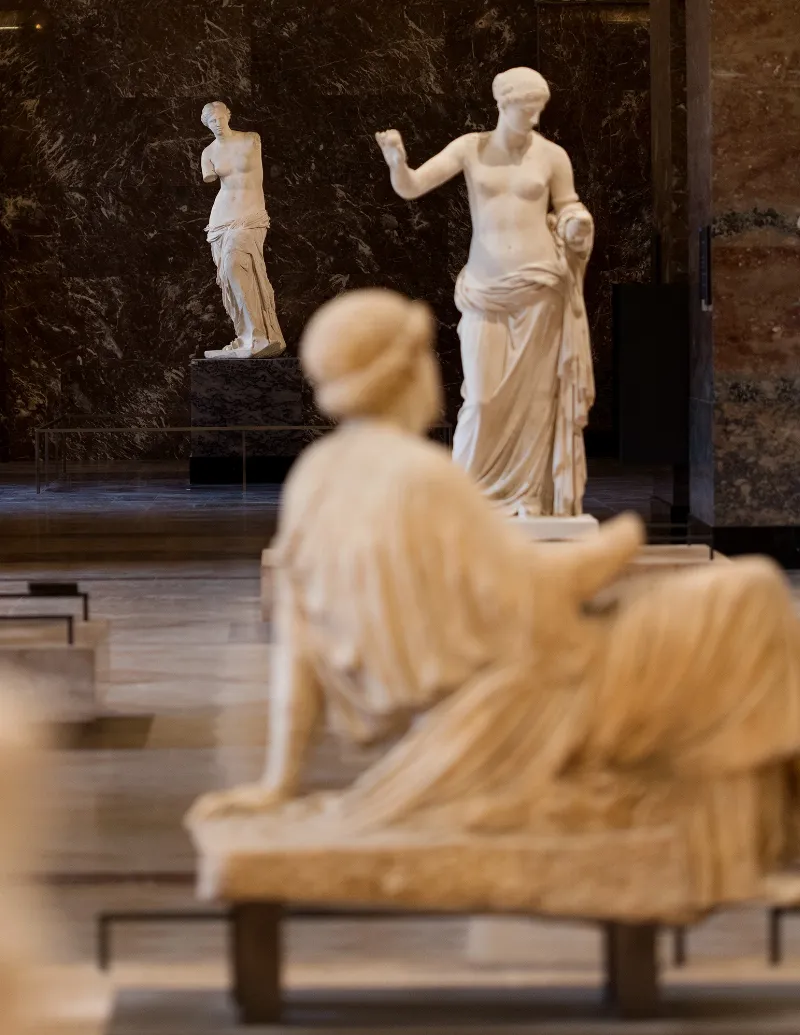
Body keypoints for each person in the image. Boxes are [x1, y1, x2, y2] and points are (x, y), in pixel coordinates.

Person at [190, 288, 800, 908]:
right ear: (405, 372)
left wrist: (279, 780)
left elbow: (297, 649)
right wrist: (616, 546)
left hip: (475, 703)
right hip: (524, 702)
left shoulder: (315, 478)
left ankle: (739, 853)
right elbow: (530, 597)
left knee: (724, 607)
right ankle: (741, 855)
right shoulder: (422, 478)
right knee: (745, 601)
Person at [376, 67, 594, 517]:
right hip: (485, 288)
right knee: (481, 396)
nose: (532, 120)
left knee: (536, 400)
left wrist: (576, 222)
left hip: (540, 286)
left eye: (538, 111)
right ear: (503, 103)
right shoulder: (471, 148)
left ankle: (528, 498)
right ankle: (470, 499)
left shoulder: (552, 156)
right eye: (524, 109)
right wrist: (397, 160)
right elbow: (413, 186)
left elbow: (568, 204)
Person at [200, 101, 286, 359]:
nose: (217, 123)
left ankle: (261, 334)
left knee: (236, 264)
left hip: (250, 215)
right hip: (221, 219)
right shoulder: (209, 153)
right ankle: (249, 336)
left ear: (228, 116)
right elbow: (213, 179)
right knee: (228, 274)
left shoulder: (251, 139)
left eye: (219, 118)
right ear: (207, 125)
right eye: (211, 121)